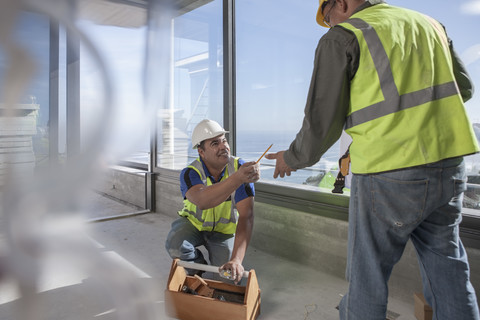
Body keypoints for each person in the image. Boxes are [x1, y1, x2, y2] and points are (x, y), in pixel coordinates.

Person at [265, 0, 480, 319]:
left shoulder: (343, 36)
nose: (330, 25)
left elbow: (322, 121)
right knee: (449, 271)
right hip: (448, 166)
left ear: (342, 3)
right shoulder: (430, 24)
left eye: (328, 16)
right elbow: (464, 89)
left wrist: (292, 158)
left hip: (388, 170)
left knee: (368, 280)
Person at [165, 119, 259, 284]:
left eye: (224, 140)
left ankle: (222, 262)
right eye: (215, 143)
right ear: (201, 152)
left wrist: (236, 260)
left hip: (223, 232)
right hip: (194, 225)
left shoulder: (239, 168)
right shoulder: (190, 173)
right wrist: (237, 179)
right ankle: (197, 268)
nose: (223, 146)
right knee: (175, 244)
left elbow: (246, 215)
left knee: (228, 278)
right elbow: (202, 200)